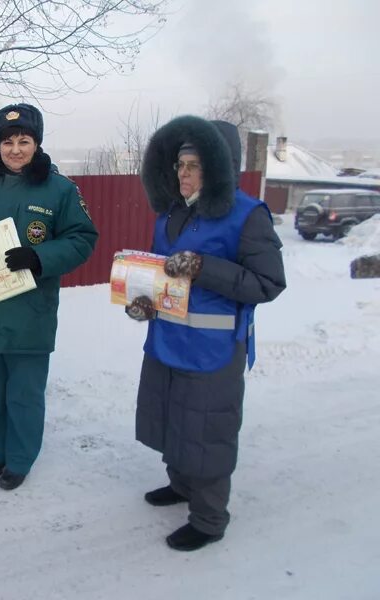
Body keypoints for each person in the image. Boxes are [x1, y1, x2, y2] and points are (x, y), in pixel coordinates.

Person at [125, 115, 286, 550]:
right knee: (173, 420)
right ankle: (181, 484)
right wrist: (145, 302)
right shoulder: (170, 215)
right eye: (179, 165)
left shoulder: (247, 215)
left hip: (213, 350)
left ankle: (210, 518)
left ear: (218, 167)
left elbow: (268, 284)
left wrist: (204, 267)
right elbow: (163, 277)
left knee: (208, 431)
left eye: (194, 165)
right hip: (167, 342)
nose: (183, 174)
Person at [0, 103, 98, 491]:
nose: (15, 149)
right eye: (7, 141)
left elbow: (83, 239)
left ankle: (21, 459)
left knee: (24, 393)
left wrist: (40, 257)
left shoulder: (59, 189)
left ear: (36, 143)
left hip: (29, 312)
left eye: (24, 141)